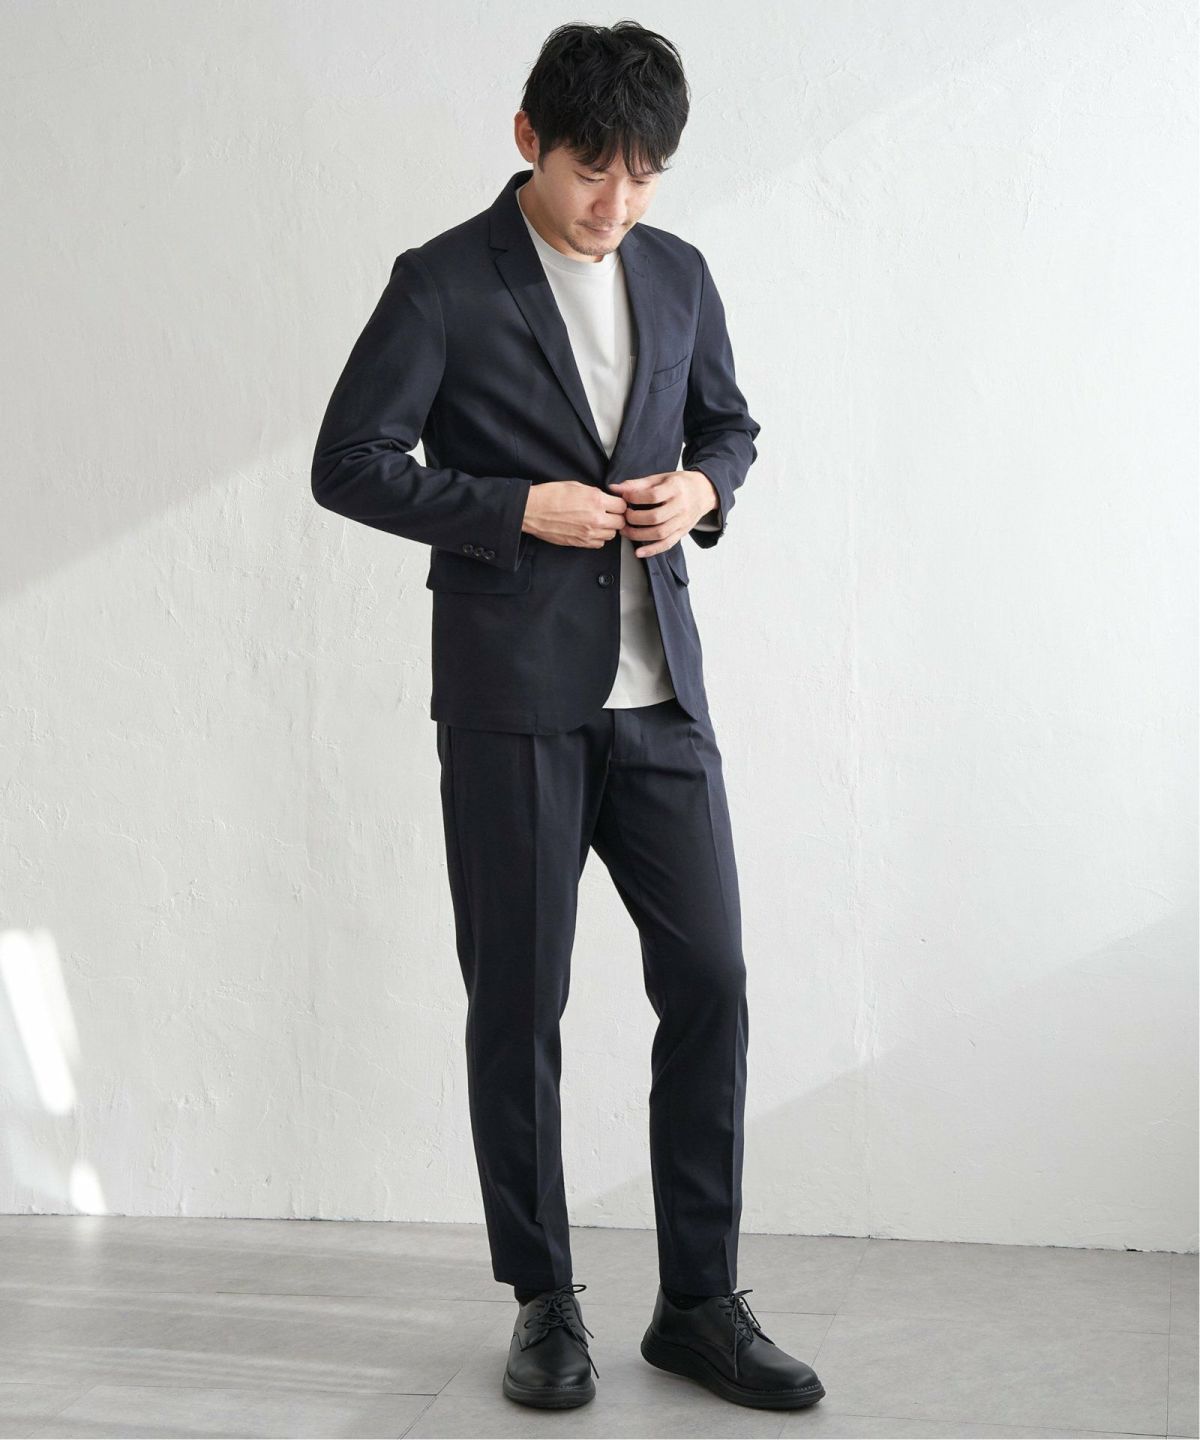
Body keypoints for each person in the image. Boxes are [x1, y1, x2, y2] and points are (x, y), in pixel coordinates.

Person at [310, 19, 825, 1415]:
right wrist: (511, 509)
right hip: (513, 706)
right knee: (520, 1006)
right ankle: (543, 1298)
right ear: (529, 138)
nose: (617, 203)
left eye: (645, 175)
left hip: (662, 700)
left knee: (712, 982)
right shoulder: (442, 283)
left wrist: (703, 491)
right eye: (594, 169)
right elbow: (348, 462)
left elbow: (729, 427)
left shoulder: (679, 271)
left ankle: (699, 1302)